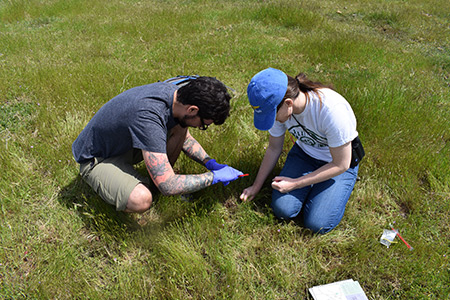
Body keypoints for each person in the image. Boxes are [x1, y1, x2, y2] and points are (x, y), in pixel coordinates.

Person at [72, 76, 243, 213]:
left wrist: (209, 162)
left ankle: (154, 182)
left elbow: (184, 137)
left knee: (181, 126)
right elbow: (168, 185)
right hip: (96, 159)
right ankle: (148, 185)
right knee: (141, 199)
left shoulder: (177, 97)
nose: (201, 127)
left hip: (124, 144)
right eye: (204, 124)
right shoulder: (149, 118)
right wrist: (213, 177)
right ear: (192, 109)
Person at [240, 68, 361, 234]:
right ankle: (313, 189)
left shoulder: (331, 111)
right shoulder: (278, 107)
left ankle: (333, 188)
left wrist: (295, 184)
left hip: (337, 164)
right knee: (283, 209)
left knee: (317, 223)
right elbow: (274, 148)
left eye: (272, 115)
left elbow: (341, 164)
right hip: (304, 155)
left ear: (289, 103)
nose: (272, 120)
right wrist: (256, 186)